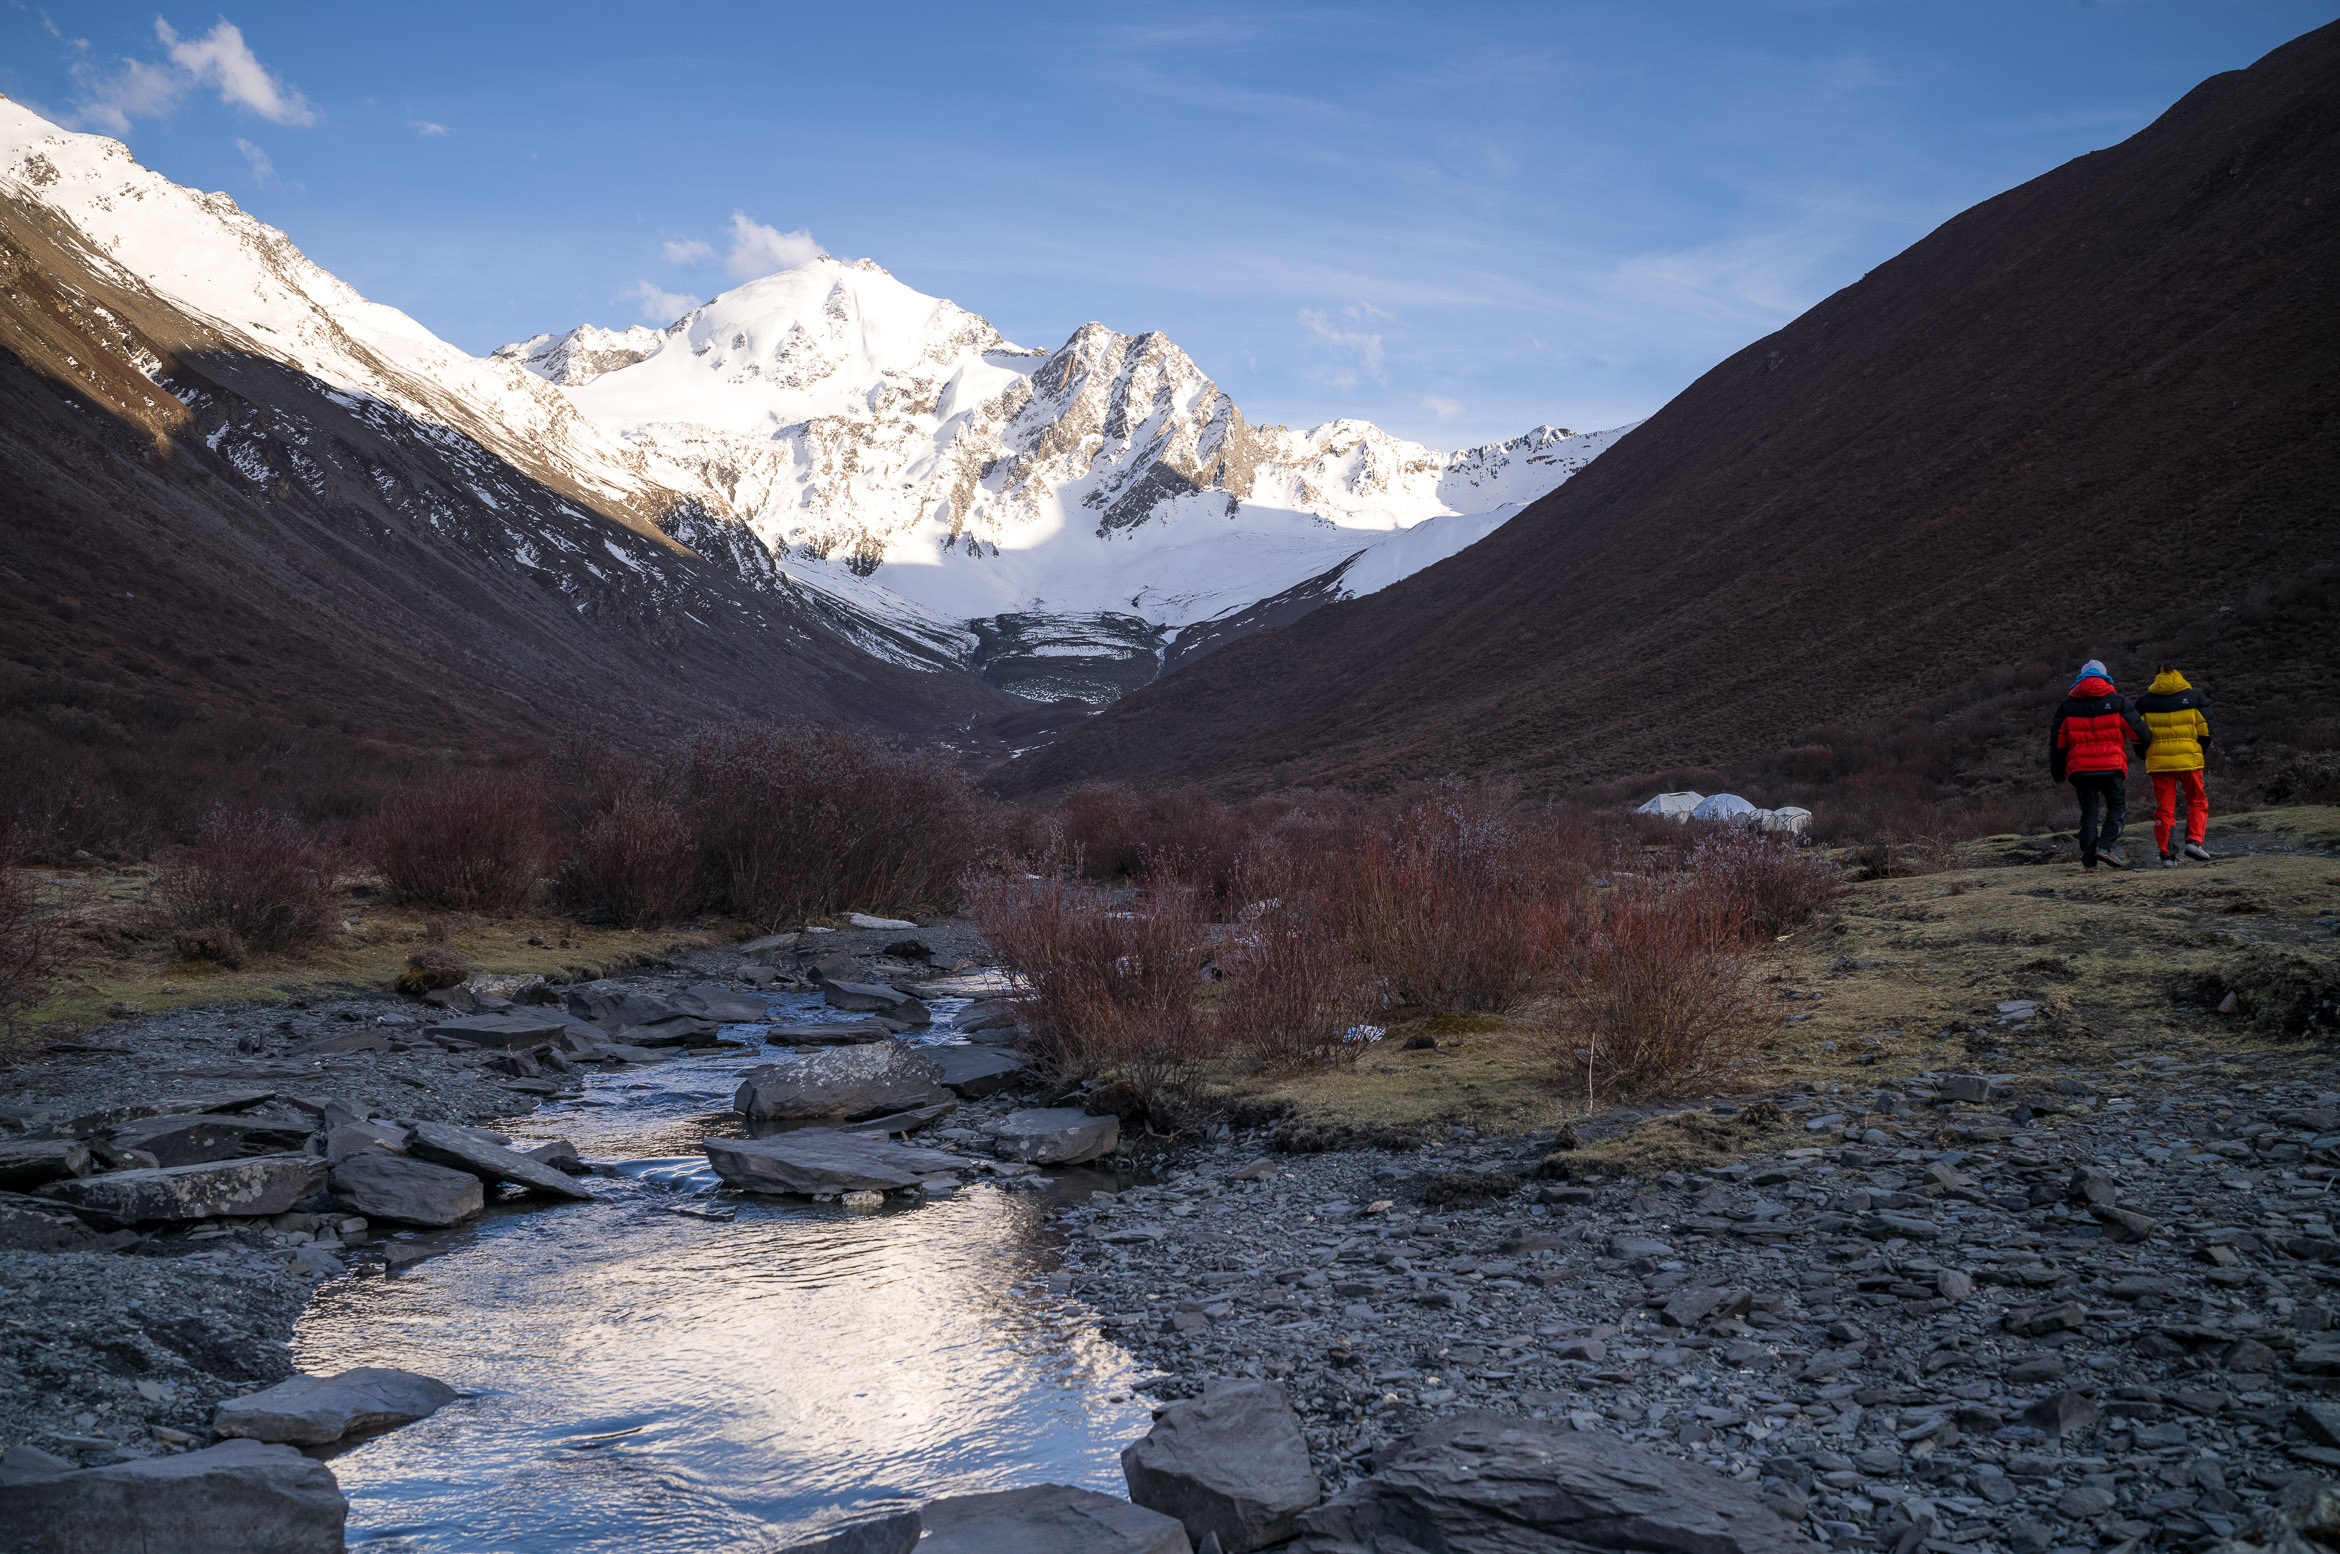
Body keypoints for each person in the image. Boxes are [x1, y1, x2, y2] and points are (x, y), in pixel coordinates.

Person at [2049, 658, 2148, 871]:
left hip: (2081, 769)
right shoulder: (2118, 701)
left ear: (2080, 678)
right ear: (2104, 676)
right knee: (2117, 807)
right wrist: (2144, 750)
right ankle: (2104, 846)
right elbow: (2139, 732)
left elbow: (2058, 744)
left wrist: (2057, 771)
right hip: (2111, 765)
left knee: (2089, 813)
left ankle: (2089, 862)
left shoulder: (2067, 706)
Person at [2137, 661, 2214, 866]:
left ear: (2157, 678)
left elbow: (2138, 735)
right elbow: (2206, 730)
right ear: (2178, 675)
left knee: (2164, 808)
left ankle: (2167, 856)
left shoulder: (2144, 702)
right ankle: (2194, 842)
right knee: (2196, 800)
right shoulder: (2195, 697)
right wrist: (2198, 750)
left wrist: (2146, 754)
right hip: (2189, 759)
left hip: (2159, 763)